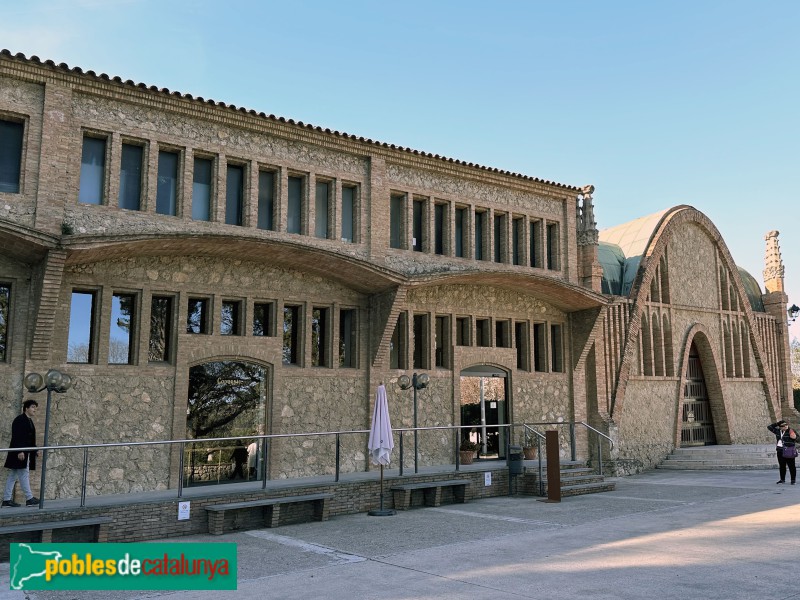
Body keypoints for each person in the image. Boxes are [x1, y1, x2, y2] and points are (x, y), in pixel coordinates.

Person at [3, 399, 40, 507]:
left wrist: (35, 449)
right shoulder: (19, 420)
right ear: (26, 408)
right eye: (33, 407)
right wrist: (20, 451)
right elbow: (17, 436)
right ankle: (29, 498)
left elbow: (29, 438)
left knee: (13, 475)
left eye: (35, 408)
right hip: (19, 452)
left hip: (24, 451)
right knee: (24, 474)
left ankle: (6, 500)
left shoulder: (29, 420)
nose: (35, 410)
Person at [767, 419, 797, 485]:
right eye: (783, 425)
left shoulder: (791, 431)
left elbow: (798, 439)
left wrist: (795, 437)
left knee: (791, 466)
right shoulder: (778, 431)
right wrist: (777, 423)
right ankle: (782, 479)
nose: (785, 426)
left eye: (786, 425)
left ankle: (793, 480)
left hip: (789, 450)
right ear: (780, 427)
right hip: (780, 450)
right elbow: (769, 427)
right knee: (782, 466)